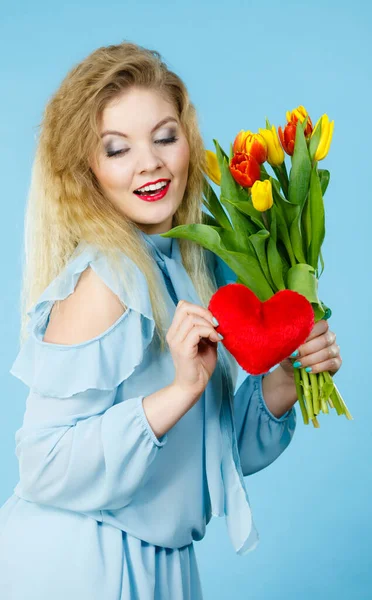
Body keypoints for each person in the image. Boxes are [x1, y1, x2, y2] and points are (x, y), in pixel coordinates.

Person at [0, 41, 342, 600]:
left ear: (188, 143)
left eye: (165, 137)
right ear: (87, 172)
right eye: (117, 149)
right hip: (80, 567)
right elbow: (44, 465)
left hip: (159, 566)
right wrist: (181, 389)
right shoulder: (106, 279)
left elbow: (210, 457)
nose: (150, 163)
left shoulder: (191, 264)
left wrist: (285, 373)